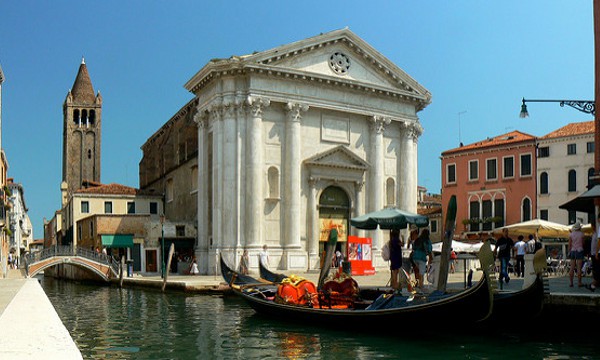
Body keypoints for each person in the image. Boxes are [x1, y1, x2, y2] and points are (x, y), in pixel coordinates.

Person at [568, 221, 585, 288]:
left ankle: (571, 283)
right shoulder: (582, 234)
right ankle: (579, 283)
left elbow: (569, 244)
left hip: (572, 251)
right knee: (579, 268)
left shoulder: (571, 234)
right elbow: (583, 243)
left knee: (572, 268)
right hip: (579, 250)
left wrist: (569, 252)